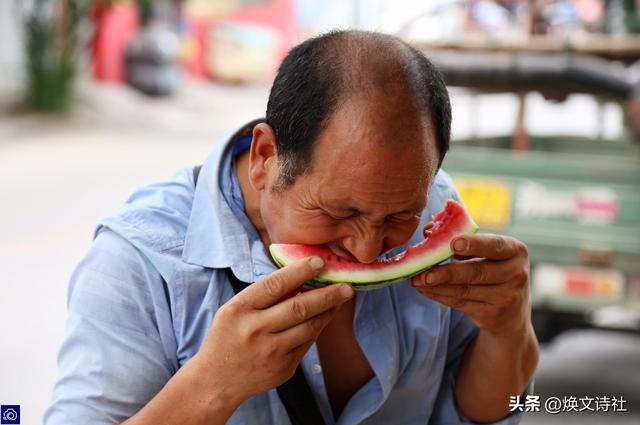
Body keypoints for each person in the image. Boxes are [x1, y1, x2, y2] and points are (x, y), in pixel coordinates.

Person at [44, 30, 538, 425]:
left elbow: (479, 411)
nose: (367, 253)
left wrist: (508, 327)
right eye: (339, 212)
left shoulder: (432, 202)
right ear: (264, 158)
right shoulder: (139, 260)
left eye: (397, 218)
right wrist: (214, 384)